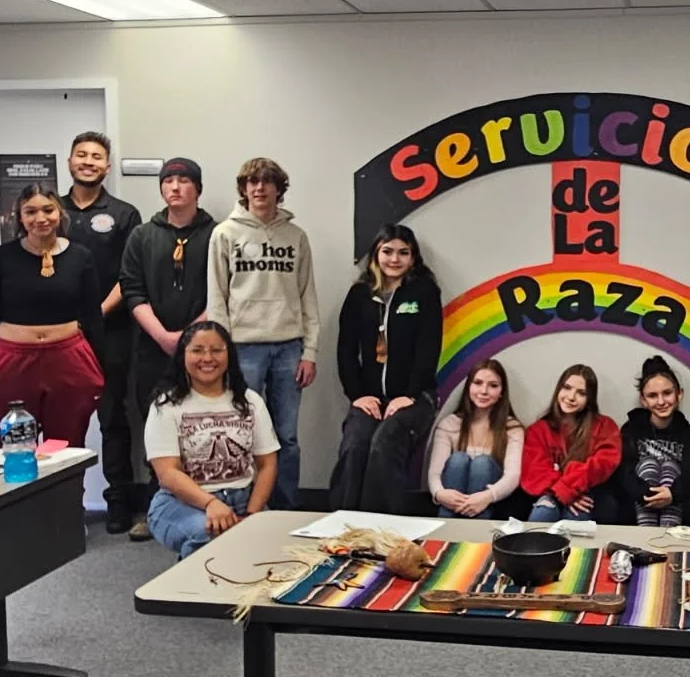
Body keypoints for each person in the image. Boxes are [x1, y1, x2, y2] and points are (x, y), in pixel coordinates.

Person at [206, 158, 319, 510]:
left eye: (267, 182)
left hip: (289, 348)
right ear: (244, 189)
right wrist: (221, 352)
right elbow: (217, 298)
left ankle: (284, 511)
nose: (259, 188)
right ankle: (247, 506)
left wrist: (310, 352)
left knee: (286, 436)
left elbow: (308, 296)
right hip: (243, 349)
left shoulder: (296, 236)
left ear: (278, 189)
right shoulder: (225, 234)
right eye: (252, 182)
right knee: (244, 432)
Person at [119, 158, 215, 541]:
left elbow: (225, 289)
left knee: (202, 428)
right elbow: (131, 288)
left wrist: (191, 337)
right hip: (151, 348)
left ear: (198, 188)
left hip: (204, 351)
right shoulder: (143, 235)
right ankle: (157, 506)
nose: (175, 187)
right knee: (156, 427)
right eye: (168, 181)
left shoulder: (219, 234)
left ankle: (206, 501)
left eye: (184, 181)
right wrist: (162, 335)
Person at [0, 183, 104, 447]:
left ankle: (64, 491)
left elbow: (92, 318)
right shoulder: (0, 258)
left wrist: (101, 368)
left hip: (69, 360)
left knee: (66, 448)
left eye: (48, 210)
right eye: (30, 211)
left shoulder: (81, 257)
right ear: (20, 217)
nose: (40, 218)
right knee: (13, 446)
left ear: (59, 213)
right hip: (11, 361)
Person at [328, 223, 442, 515]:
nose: (395, 259)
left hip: (416, 397)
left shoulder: (424, 292)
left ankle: (378, 528)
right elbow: (345, 350)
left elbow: (429, 348)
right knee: (355, 444)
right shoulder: (359, 295)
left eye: (403, 253)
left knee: (384, 443)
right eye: (387, 251)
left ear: (413, 257)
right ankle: (341, 524)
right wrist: (357, 395)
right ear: (375, 255)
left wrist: (411, 395)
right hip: (370, 398)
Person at [144, 321, 278, 559]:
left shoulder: (250, 401)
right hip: (181, 503)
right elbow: (168, 473)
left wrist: (252, 513)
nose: (208, 358)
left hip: (245, 499)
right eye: (197, 350)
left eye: (217, 350)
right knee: (212, 536)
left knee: (271, 544)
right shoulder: (165, 406)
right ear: (182, 356)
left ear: (229, 355)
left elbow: (267, 463)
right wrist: (210, 504)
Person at [63, 130, 142, 533]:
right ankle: (61, 505)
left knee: (113, 417)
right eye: (82, 155)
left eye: (97, 156)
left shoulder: (125, 214)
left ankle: (117, 502)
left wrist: (93, 316)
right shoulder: (51, 211)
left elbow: (129, 277)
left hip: (110, 331)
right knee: (63, 421)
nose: (89, 162)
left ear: (107, 166)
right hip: (58, 335)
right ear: (70, 161)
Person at [521, 364, 622, 523]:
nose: (571, 397)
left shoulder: (605, 427)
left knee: (576, 516)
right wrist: (562, 491)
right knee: (543, 513)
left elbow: (603, 464)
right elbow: (535, 471)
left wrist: (570, 490)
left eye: (581, 393)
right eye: (566, 388)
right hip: (548, 493)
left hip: (586, 494)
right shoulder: (538, 430)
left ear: (589, 399)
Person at [428, 359, 525, 518]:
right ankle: (447, 533)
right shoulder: (450, 424)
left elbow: (512, 476)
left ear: (502, 392)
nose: (484, 391)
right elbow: (434, 474)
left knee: (482, 463)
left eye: (493, 385)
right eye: (478, 383)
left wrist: (486, 497)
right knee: (458, 460)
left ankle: (473, 534)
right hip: (451, 503)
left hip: (490, 504)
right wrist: (439, 494)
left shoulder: (512, 428)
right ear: (468, 387)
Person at [618, 355, 690, 528]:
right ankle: (647, 533)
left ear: (679, 394)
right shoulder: (630, 429)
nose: (661, 401)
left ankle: (667, 535)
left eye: (667, 393)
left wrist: (671, 494)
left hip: (679, 505)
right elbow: (625, 473)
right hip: (639, 504)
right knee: (648, 463)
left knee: (669, 466)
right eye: (652, 395)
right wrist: (651, 495)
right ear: (643, 400)